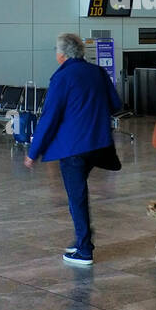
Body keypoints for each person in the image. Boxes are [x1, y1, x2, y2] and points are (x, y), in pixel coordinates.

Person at [24, 33, 122, 267]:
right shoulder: (97, 72)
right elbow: (116, 104)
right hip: (98, 144)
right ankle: (82, 236)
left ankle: (84, 249)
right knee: (77, 193)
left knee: (77, 197)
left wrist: (32, 152)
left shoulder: (62, 77)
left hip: (74, 149)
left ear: (62, 55)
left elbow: (50, 117)